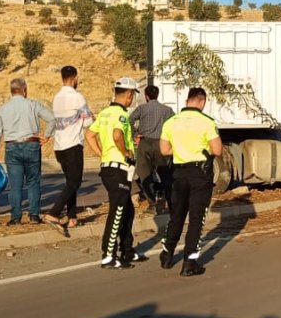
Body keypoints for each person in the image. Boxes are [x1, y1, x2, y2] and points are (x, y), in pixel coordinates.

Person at [158, 87, 222, 277]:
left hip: (178, 172)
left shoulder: (171, 122)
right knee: (196, 218)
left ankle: (167, 253)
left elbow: (164, 150)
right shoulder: (206, 122)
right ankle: (189, 262)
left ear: (187, 101)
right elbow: (217, 150)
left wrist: (180, 151)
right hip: (199, 174)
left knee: (177, 214)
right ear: (202, 101)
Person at [86, 77, 147, 269]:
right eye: (132, 97)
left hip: (109, 166)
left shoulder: (104, 113)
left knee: (128, 209)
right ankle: (108, 255)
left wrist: (101, 153)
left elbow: (89, 135)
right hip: (118, 167)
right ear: (129, 95)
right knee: (118, 210)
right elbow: (117, 135)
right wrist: (125, 151)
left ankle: (127, 250)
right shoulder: (120, 115)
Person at [0, 78, 55, 226]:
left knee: (15, 183)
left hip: (12, 146)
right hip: (31, 144)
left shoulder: (3, 108)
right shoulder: (33, 105)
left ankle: (16, 217)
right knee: (33, 182)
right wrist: (47, 135)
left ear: (11, 91)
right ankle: (34, 215)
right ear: (24, 90)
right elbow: (51, 119)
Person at [43, 66, 94, 235]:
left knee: (70, 182)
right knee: (75, 182)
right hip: (73, 145)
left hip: (59, 146)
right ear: (75, 78)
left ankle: (72, 217)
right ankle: (54, 213)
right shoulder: (77, 97)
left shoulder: (57, 97)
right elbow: (88, 122)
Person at [129, 84, 175, 214]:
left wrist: (135, 134)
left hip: (145, 143)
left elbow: (129, 120)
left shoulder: (142, 108)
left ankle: (152, 203)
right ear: (157, 95)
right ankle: (171, 203)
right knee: (165, 174)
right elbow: (174, 122)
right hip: (161, 143)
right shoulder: (167, 110)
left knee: (145, 174)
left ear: (146, 96)